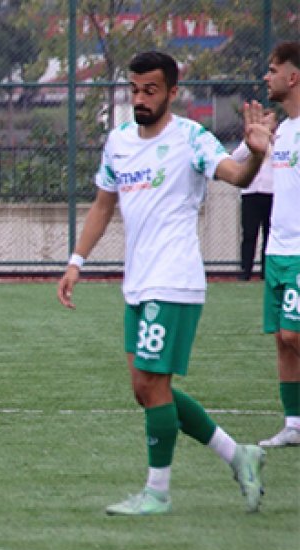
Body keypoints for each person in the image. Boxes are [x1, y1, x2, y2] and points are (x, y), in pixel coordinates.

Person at [56, 50, 271, 516]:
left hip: (173, 279)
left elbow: (234, 176)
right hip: (138, 282)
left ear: (172, 92)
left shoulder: (191, 138)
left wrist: (254, 157)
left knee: (154, 385)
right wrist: (76, 261)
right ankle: (239, 454)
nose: (140, 98)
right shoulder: (118, 142)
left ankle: (158, 492)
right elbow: (102, 205)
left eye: (150, 90)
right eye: (134, 89)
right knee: (145, 388)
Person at [259, 41, 300, 448]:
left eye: (273, 70)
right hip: (278, 250)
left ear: (294, 77)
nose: (267, 77)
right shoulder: (284, 130)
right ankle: (294, 424)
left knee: (295, 335)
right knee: (281, 340)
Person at [230, 137, 272, 280]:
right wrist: (252, 144)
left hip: (271, 192)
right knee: (249, 234)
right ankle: (245, 270)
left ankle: (266, 272)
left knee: (269, 235)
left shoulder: (279, 141)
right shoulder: (247, 142)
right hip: (251, 193)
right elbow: (235, 158)